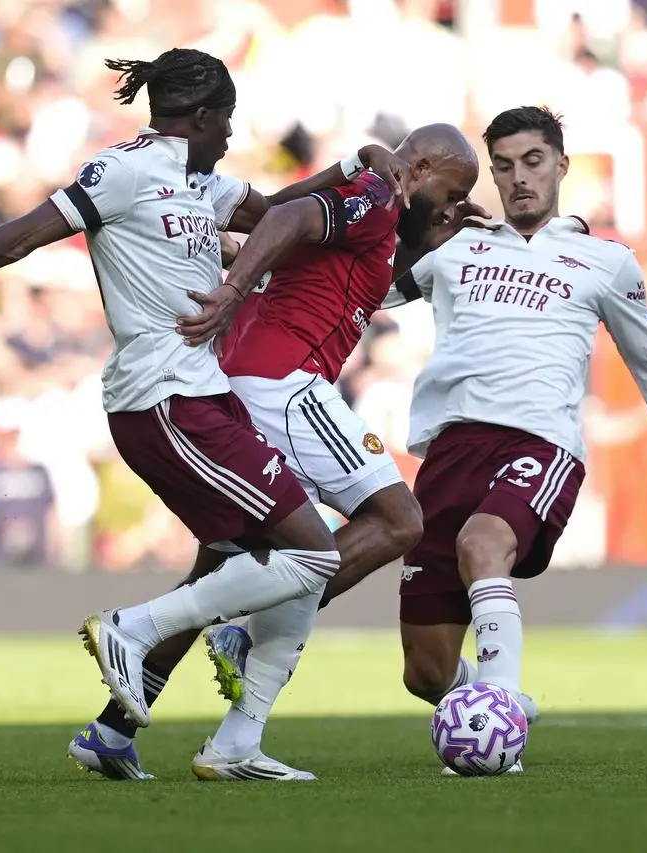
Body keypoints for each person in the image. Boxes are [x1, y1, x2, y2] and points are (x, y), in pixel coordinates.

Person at [0, 48, 410, 775]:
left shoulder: (202, 184)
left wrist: (357, 163)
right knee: (311, 552)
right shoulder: (123, 172)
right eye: (226, 121)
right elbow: (20, 237)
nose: (231, 135)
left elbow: (282, 212)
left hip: (203, 400)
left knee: (227, 566)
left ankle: (113, 733)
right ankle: (132, 631)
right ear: (201, 117)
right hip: (164, 402)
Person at [71, 123, 485, 782]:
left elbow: (346, 267)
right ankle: (174, 626)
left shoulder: (374, 227)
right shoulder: (375, 191)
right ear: (426, 163)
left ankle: (130, 730)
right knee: (398, 520)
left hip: (245, 385)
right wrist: (233, 289)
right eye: (452, 191)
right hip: (281, 383)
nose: (451, 205)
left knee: (231, 568)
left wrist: (433, 235)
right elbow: (291, 214)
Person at [385, 106, 647, 774]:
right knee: (425, 675)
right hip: (450, 452)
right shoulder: (457, 248)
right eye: (506, 165)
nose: (520, 178)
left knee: (482, 544)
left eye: (534, 161)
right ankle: (491, 693)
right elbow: (367, 294)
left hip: (539, 443)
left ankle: (498, 723)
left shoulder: (605, 261)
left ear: (562, 166)